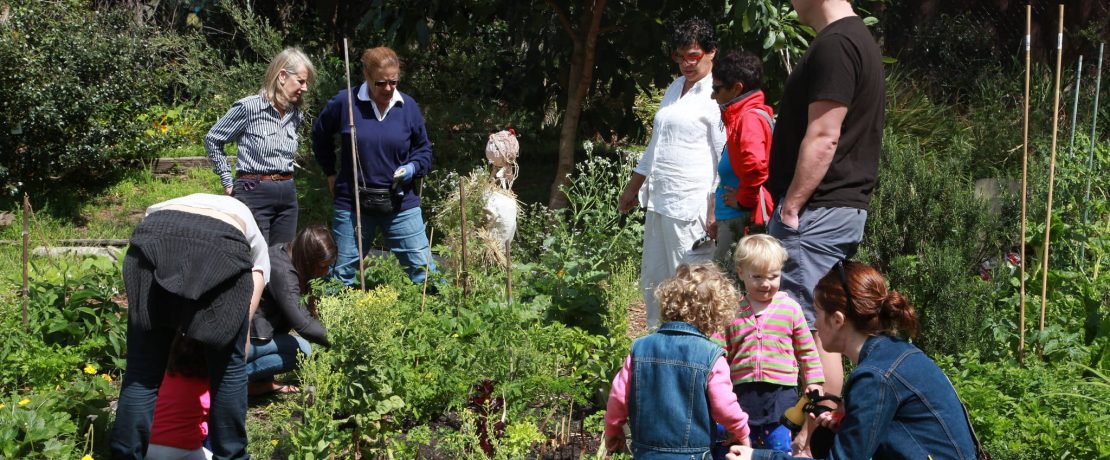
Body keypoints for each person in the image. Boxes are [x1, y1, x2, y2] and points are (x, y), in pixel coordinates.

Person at [764, 0, 886, 449]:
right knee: (819, 326)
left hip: (816, 212)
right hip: (832, 210)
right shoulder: (853, 40)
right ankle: (814, 440)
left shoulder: (837, 45)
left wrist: (792, 206)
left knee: (810, 329)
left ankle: (810, 444)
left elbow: (824, 135)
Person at [726, 262, 979, 460]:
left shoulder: (875, 377)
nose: (814, 323)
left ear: (837, 320)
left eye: (818, 313)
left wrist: (758, 457)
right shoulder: (894, 353)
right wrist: (847, 425)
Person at [112, 193, 269, 460]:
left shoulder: (169, 204)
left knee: (142, 374)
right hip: (222, 246)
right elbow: (256, 279)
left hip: (153, 239)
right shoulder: (250, 230)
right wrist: (236, 344)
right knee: (228, 373)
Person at [617, 17, 726, 328]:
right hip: (660, 202)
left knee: (690, 282)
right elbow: (655, 146)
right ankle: (657, 349)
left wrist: (714, 207)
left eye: (692, 55)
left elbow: (724, 154)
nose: (686, 64)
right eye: (680, 56)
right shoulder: (675, 87)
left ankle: (695, 354)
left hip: (692, 206)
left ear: (711, 52)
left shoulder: (715, 94)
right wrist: (632, 187)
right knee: (655, 278)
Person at [312, 46, 435, 286]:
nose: (388, 88)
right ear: (367, 76)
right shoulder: (346, 103)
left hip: (400, 204)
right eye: (381, 83)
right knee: (340, 275)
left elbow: (423, 149)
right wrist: (329, 171)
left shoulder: (407, 106)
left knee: (425, 274)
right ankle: (331, 321)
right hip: (353, 203)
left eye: (394, 82)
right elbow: (320, 134)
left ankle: (435, 319)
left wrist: (412, 168)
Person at [605, 263, 752, 458]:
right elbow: (724, 406)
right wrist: (741, 430)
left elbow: (618, 397)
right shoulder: (712, 356)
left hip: (646, 452)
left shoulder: (640, 348)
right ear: (716, 314)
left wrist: (612, 430)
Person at [719, 235, 823, 453]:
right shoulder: (732, 311)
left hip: (780, 392)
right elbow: (720, 352)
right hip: (742, 391)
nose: (765, 284)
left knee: (778, 442)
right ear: (740, 272)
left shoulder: (790, 309)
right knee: (741, 443)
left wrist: (813, 381)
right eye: (757, 277)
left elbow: (806, 350)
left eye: (773, 276)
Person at [205, 47, 316, 245]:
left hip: (287, 192)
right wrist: (227, 181)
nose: (305, 87)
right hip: (253, 191)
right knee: (255, 256)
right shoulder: (249, 108)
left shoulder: (295, 114)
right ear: (282, 76)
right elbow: (213, 138)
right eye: (301, 81)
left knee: (282, 259)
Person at [246, 225, 335, 396]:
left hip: (255, 333)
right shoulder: (284, 273)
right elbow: (303, 324)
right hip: (247, 337)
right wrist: (338, 340)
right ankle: (234, 380)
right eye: (323, 266)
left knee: (300, 346)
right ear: (308, 260)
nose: (326, 272)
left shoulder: (288, 252)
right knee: (303, 350)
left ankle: (261, 381)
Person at [709, 50, 775, 274]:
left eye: (716, 89)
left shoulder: (748, 118)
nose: (712, 96)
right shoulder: (742, 116)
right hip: (732, 218)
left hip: (742, 219)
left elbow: (755, 166)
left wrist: (744, 201)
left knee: (728, 289)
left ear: (737, 88)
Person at [147, 335, 213, 460]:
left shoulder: (163, 376)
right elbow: (204, 429)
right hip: (184, 449)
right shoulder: (205, 387)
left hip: (146, 446)